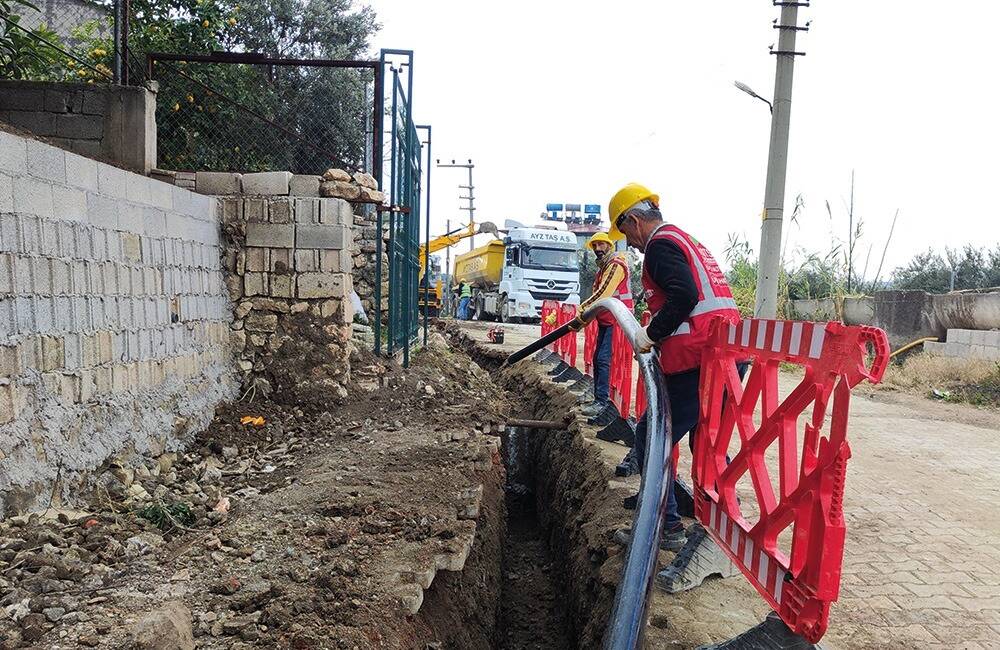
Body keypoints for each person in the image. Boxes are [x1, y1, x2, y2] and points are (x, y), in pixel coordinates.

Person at [606, 182, 741, 552]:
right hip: (725, 356)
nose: (630, 244)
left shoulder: (660, 246)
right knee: (708, 442)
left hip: (698, 361)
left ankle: (664, 527)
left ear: (633, 221)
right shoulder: (685, 240)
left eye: (625, 233)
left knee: (651, 436)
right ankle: (726, 522)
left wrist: (651, 333)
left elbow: (684, 295)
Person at [575, 232, 633, 418]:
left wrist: (582, 309)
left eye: (601, 245)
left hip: (617, 321)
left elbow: (603, 294)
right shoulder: (603, 267)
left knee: (603, 360)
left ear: (610, 245)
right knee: (598, 358)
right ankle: (598, 399)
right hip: (607, 320)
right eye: (595, 246)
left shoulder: (615, 265)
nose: (597, 249)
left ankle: (602, 402)